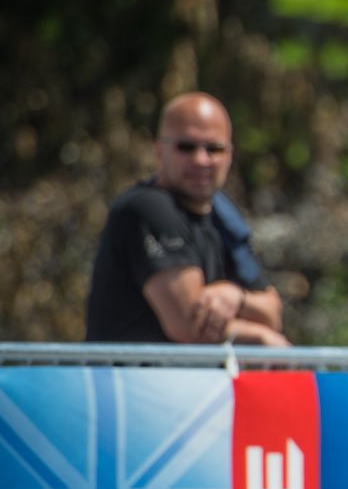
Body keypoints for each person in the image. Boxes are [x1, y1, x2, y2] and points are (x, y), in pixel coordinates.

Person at [85, 92, 288, 346]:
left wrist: (237, 297)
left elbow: (273, 314)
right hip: (135, 372)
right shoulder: (147, 209)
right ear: (159, 150)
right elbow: (190, 327)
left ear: (230, 155)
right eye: (186, 147)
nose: (201, 160)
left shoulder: (223, 218)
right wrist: (261, 337)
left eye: (214, 148)